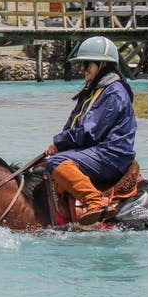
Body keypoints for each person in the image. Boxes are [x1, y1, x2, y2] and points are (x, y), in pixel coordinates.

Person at [43, 35, 136, 226]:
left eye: (87, 64)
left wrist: (58, 143)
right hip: (97, 151)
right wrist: (61, 142)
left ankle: (94, 202)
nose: (82, 68)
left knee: (56, 162)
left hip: (111, 155)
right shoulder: (94, 91)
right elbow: (73, 125)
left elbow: (89, 132)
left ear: (102, 65)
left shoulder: (113, 92)